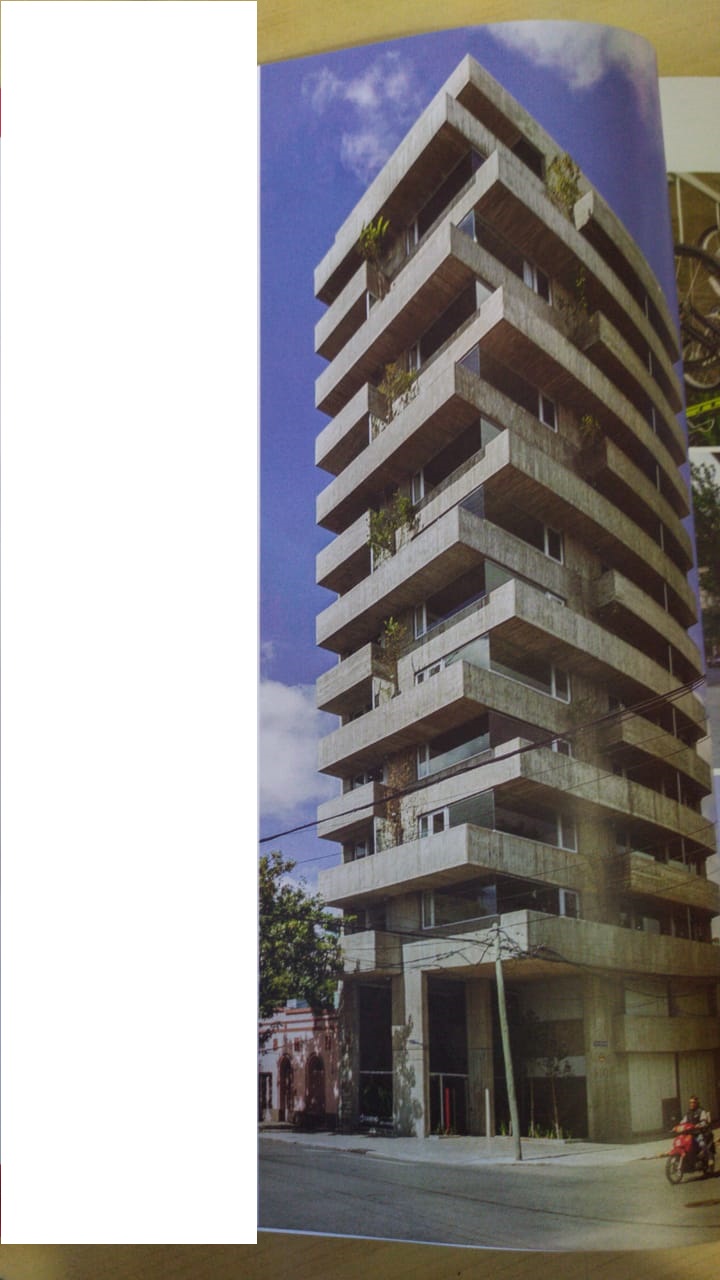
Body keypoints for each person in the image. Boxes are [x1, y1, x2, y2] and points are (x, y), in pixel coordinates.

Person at [681, 1095, 715, 1161]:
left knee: (702, 1144)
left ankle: (710, 1157)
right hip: (690, 1134)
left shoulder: (701, 1111)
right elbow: (683, 1121)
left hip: (699, 1133)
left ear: (697, 1103)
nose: (692, 1104)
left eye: (694, 1102)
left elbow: (704, 1121)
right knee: (682, 1144)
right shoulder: (688, 1113)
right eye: (690, 1102)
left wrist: (699, 1125)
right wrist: (677, 1126)